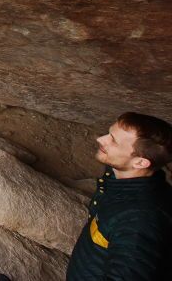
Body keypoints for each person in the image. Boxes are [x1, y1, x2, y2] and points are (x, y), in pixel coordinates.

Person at [66, 112, 172, 280]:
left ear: (140, 162)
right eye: (109, 133)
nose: (101, 139)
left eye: (113, 140)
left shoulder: (140, 221)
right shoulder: (121, 177)